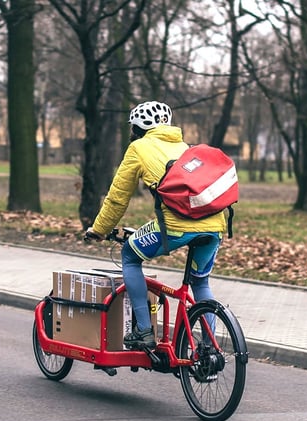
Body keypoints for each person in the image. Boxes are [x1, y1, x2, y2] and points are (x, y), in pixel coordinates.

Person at [85, 101, 227, 348]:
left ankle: (143, 331)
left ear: (137, 128)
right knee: (200, 282)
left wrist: (99, 230)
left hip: (176, 226)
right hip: (214, 226)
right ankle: (209, 348)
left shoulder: (138, 148)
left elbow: (118, 197)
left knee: (129, 254)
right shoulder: (186, 147)